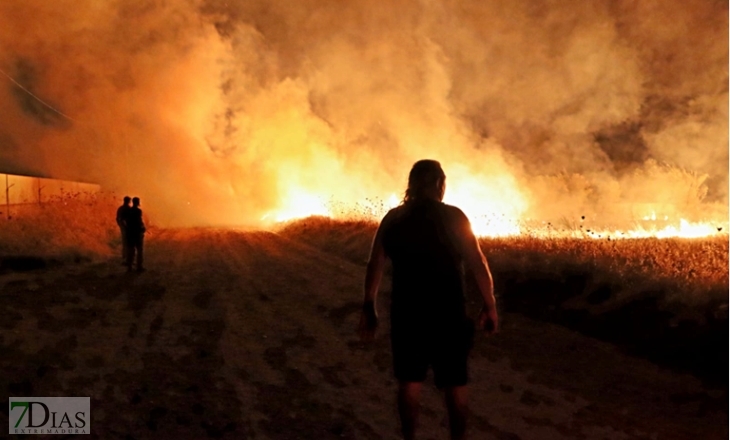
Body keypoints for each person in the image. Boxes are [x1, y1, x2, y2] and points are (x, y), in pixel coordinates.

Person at [358, 159, 498, 440]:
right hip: (449, 313)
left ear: (411, 184)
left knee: (409, 381)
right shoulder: (455, 217)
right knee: (455, 383)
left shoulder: (394, 218)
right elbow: (477, 262)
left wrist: (369, 304)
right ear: (439, 184)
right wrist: (490, 304)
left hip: (407, 313)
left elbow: (375, 263)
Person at [123, 197, 146, 272]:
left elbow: (125, 220)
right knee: (139, 250)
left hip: (130, 232)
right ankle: (139, 267)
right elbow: (139, 220)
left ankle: (129, 267)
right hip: (137, 232)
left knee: (130, 250)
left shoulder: (128, 211)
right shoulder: (138, 211)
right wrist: (142, 228)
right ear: (137, 202)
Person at [116, 196, 131, 263]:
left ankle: (125, 255)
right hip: (128, 227)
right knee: (128, 242)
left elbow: (117, 218)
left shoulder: (120, 208)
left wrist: (120, 225)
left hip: (124, 227)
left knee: (125, 241)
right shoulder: (128, 209)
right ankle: (127, 256)